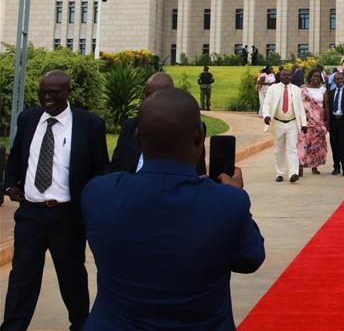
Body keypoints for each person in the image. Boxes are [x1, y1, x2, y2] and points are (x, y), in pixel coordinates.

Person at [82, 89, 265, 330]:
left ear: (137, 138)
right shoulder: (227, 202)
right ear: (200, 137)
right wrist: (236, 194)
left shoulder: (99, 193)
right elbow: (250, 259)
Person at [3, 71, 109, 331]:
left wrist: (90, 206)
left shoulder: (89, 124)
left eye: (54, 92)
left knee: (71, 276)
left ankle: (81, 325)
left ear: (67, 92)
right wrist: (10, 184)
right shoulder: (28, 119)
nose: (47, 97)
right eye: (43, 92)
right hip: (30, 214)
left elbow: (100, 169)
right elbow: (16, 156)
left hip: (67, 216)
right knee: (22, 277)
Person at [110, 72, 207, 176]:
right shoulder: (131, 126)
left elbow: (197, 173)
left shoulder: (188, 127)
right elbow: (114, 168)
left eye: (152, 96)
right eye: (145, 96)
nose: (146, 101)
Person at [262, 68, 309, 183]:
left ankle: (293, 173)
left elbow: (300, 108)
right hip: (278, 122)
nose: (286, 77)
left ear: (291, 76)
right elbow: (266, 103)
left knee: (292, 148)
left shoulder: (297, 90)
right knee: (279, 150)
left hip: (292, 122)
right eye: (284, 75)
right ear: (280, 76)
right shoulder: (273, 89)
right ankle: (280, 173)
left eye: (288, 75)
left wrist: (304, 123)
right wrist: (267, 116)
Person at [299, 69, 329, 175]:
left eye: (318, 76)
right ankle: (300, 165)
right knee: (303, 143)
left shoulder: (323, 90)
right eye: (314, 76)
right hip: (306, 122)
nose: (316, 78)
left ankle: (314, 166)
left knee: (317, 145)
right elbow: (298, 105)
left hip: (319, 122)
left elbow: (326, 106)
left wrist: (327, 121)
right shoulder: (303, 89)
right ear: (310, 77)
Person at [327, 73, 344, 176]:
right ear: (334, 81)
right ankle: (336, 167)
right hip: (334, 121)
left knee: (342, 144)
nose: (340, 80)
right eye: (337, 79)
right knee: (334, 145)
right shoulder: (330, 93)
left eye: (341, 78)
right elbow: (328, 108)